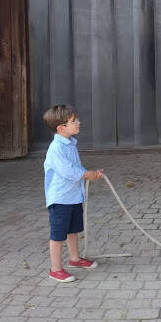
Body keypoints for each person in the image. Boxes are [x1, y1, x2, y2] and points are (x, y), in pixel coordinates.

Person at [43, 104, 104, 282]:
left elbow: (76, 167)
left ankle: (75, 259)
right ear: (60, 127)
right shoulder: (56, 148)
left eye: (77, 119)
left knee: (72, 230)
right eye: (73, 121)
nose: (79, 123)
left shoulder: (70, 144)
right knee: (58, 234)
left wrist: (91, 173)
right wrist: (87, 175)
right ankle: (55, 269)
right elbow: (68, 171)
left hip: (73, 197)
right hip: (60, 199)